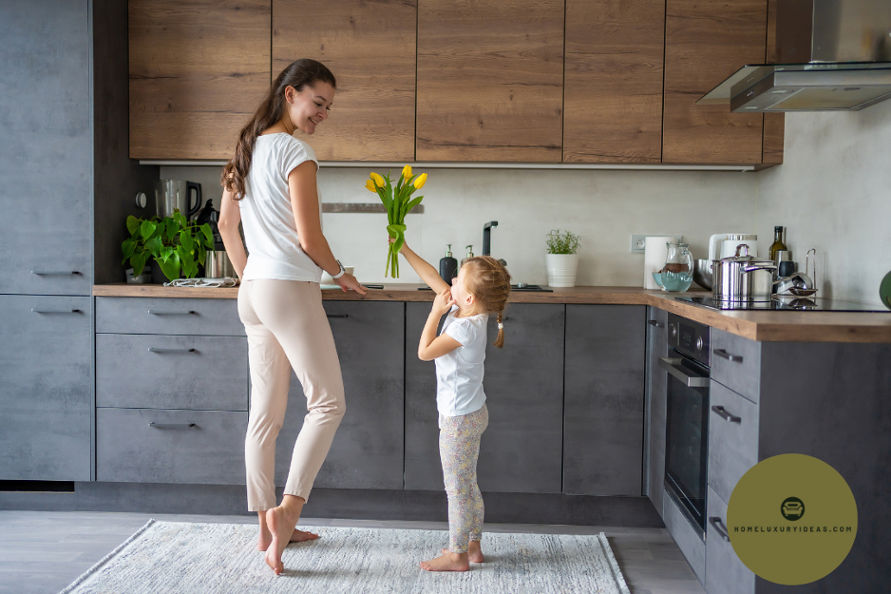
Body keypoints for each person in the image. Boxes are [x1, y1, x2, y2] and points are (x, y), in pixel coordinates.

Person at [217, 58, 367, 575]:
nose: (322, 113)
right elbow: (309, 239)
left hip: (254, 292)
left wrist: (251, 277)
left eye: (328, 107)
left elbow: (226, 226)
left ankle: (266, 525)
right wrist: (342, 273)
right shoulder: (296, 152)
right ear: (289, 93)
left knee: (266, 417)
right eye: (317, 102)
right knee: (327, 404)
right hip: (288, 287)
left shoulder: (246, 148)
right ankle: (288, 513)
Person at [396, 240, 511, 572]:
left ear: (469, 298)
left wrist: (434, 312)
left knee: (457, 488)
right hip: (474, 412)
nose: (451, 284)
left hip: (459, 420)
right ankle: (473, 545)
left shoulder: (462, 327)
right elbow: (433, 276)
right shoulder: (471, 312)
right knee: (468, 481)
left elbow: (425, 351)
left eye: (457, 281)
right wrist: (403, 248)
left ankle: (457, 554)